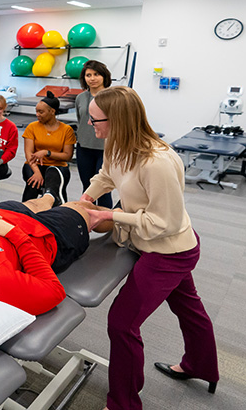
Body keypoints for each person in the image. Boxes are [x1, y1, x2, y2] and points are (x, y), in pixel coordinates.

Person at [81, 86, 219, 410]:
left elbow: (165, 222)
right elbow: (106, 176)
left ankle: (123, 404)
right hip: (156, 244)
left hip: (169, 252)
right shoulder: (115, 145)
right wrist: (87, 197)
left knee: (122, 322)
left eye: (95, 119)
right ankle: (201, 365)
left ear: (116, 120)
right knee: (188, 307)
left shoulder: (157, 162)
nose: (90, 125)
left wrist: (110, 214)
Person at [22, 93, 75, 204]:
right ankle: (25, 212)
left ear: (52, 111)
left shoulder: (66, 130)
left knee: (55, 188)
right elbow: (28, 153)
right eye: (36, 111)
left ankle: (58, 212)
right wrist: (36, 172)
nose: (37, 115)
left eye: (41, 112)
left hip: (58, 166)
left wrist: (47, 152)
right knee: (34, 183)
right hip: (34, 164)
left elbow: (67, 156)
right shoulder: (32, 127)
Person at [75, 60, 113, 207]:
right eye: (88, 75)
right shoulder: (80, 98)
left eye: (96, 74)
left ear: (104, 76)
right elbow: (82, 120)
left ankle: (105, 224)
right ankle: (88, 220)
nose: (92, 78)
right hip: (84, 147)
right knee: (87, 188)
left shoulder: (112, 97)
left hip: (106, 149)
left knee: (103, 189)